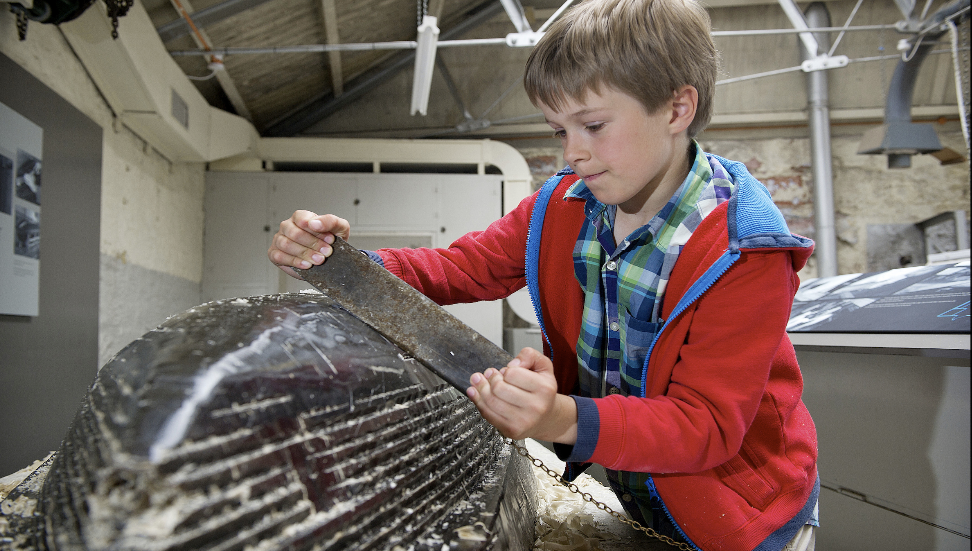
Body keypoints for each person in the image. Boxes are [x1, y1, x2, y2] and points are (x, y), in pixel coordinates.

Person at [268, 0, 819, 549]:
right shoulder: (563, 206)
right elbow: (465, 268)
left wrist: (560, 418)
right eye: (559, 130)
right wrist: (343, 264)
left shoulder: (745, 254)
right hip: (646, 495)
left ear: (677, 109)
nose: (574, 152)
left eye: (594, 125)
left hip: (743, 519)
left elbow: (706, 426)